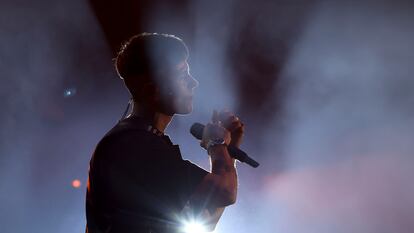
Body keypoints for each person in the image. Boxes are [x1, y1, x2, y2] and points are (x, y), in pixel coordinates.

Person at [85, 33, 244, 233]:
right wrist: (217, 144)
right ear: (153, 89)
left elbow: (205, 217)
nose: (193, 82)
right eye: (182, 75)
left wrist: (227, 153)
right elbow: (225, 192)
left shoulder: (141, 142)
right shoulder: (133, 146)